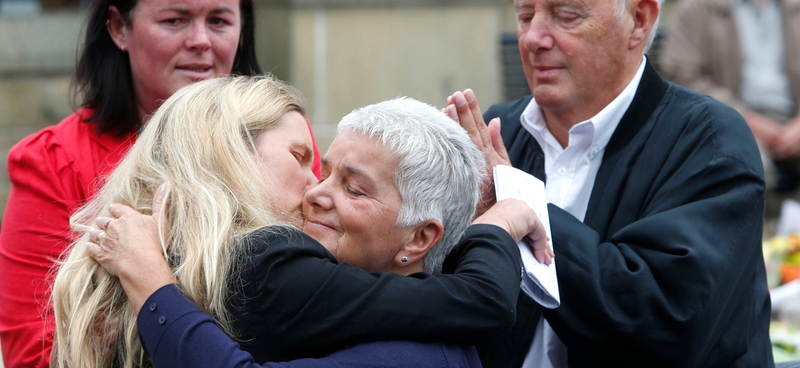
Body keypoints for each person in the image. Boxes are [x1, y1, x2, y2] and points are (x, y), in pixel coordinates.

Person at [445, 0, 772, 367]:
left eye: (565, 15)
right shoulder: (497, 132)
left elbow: (663, 319)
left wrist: (520, 205)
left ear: (638, 21)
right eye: (524, 15)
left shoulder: (708, 139)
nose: (534, 38)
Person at [52, 76, 552, 367]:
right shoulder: (259, 261)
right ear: (228, 153)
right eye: (308, 161)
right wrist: (503, 220)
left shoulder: (237, 264)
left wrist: (151, 279)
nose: (315, 189)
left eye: (352, 188)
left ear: (421, 238)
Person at [0, 0, 321, 368]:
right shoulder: (53, 161)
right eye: (175, 20)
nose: (201, 41)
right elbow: (34, 354)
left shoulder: (285, 143)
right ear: (118, 28)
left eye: (219, 21)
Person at [660, 0, 800, 195]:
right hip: (730, 119)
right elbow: (680, 74)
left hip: (793, 119)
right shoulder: (699, 4)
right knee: (744, 162)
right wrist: (744, 118)